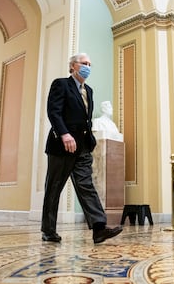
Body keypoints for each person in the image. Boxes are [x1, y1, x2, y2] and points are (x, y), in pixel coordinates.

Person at [41, 52, 122, 243]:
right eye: (84, 63)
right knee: (54, 189)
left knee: (87, 186)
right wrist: (64, 134)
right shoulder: (61, 84)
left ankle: (99, 228)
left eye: (90, 64)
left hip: (83, 148)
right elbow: (54, 111)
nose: (88, 67)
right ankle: (48, 231)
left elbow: (85, 119)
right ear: (72, 66)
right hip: (62, 146)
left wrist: (91, 139)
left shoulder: (89, 91)